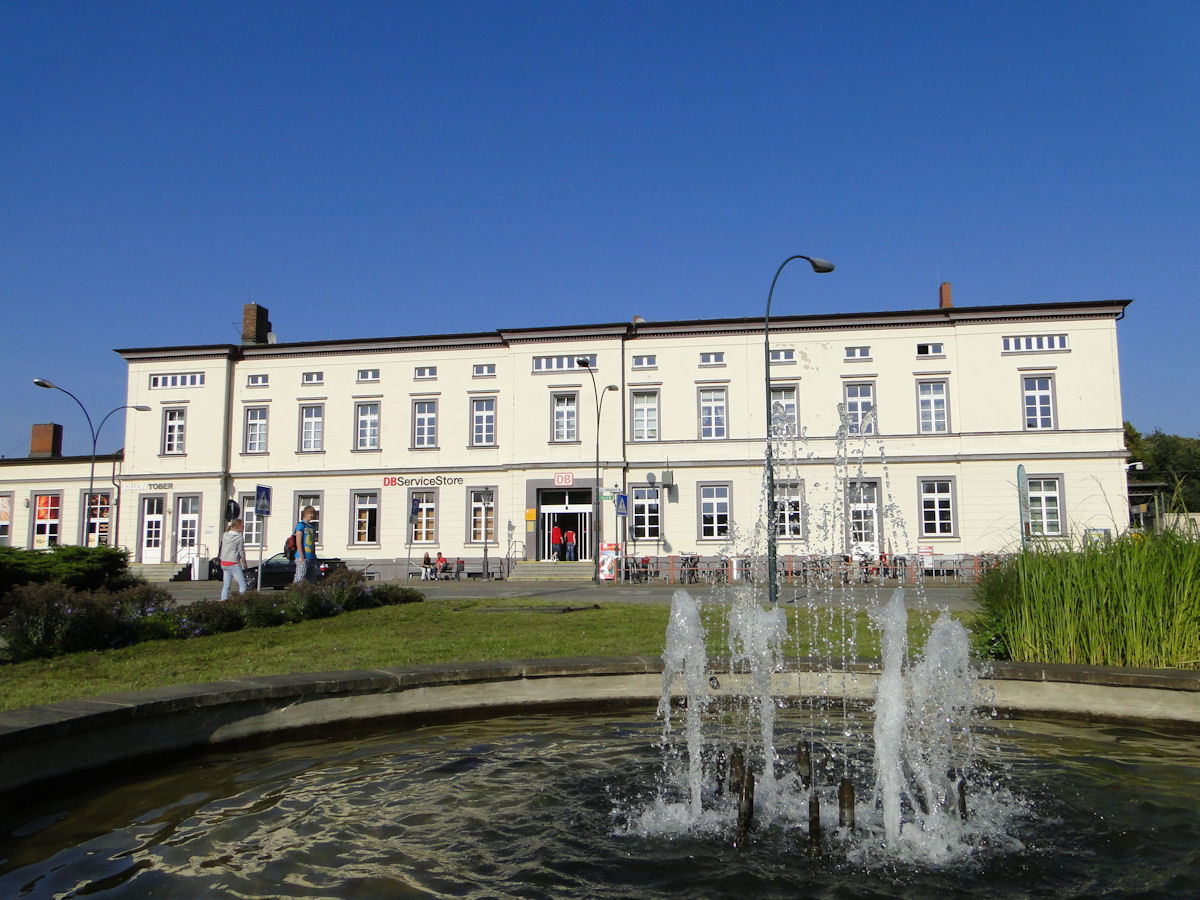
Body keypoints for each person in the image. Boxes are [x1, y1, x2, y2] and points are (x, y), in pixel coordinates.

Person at [218, 518, 248, 600]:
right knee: (243, 585)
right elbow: (241, 552)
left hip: (224, 563)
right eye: (242, 525)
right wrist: (244, 564)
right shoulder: (239, 538)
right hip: (233, 563)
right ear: (238, 526)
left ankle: (223, 601)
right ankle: (240, 602)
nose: (243, 526)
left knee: (226, 585)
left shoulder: (225, 535)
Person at [293, 505, 319, 584]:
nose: (312, 515)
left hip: (311, 557)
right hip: (303, 556)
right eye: (310, 513)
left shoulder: (312, 527)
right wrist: (301, 556)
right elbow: (298, 541)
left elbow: (313, 542)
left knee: (311, 579)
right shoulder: (300, 525)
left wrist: (314, 555)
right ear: (305, 514)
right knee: (300, 577)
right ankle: (294, 593)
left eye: (313, 514)